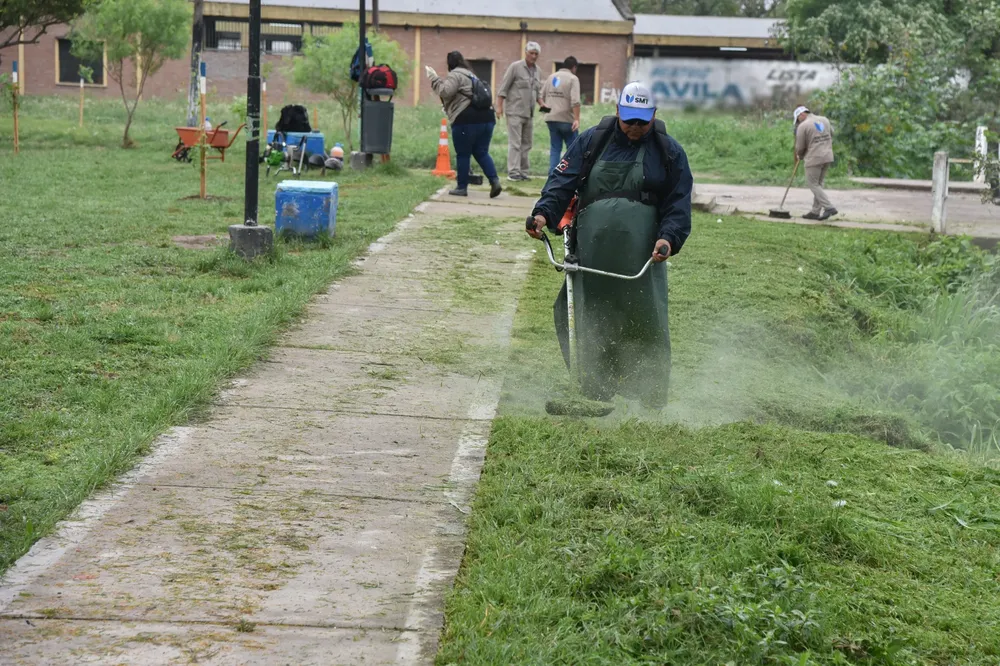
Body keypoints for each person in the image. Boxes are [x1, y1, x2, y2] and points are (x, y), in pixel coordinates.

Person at [526, 82, 693, 408]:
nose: (634, 127)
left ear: (653, 115)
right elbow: (561, 183)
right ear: (617, 111)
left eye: (641, 122)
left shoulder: (670, 153)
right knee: (578, 316)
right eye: (628, 119)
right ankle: (592, 390)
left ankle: (649, 396)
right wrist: (543, 214)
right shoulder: (591, 142)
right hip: (591, 254)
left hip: (641, 260)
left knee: (647, 325)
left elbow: (678, 205)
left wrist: (668, 239)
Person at [427, 51, 502, 198]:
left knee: (463, 154)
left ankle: (462, 187)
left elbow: (445, 91)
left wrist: (434, 79)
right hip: (487, 118)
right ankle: (495, 181)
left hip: (466, 120)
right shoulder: (471, 75)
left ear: (449, 63)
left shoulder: (455, 74)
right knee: (481, 152)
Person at [496, 41, 543, 181]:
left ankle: (523, 172)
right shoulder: (515, 67)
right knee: (515, 143)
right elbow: (503, 88)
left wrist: (542, 104)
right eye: (531, 53)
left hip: (529, 113)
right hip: (515, 111)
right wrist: (499, 107)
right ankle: (513, 172)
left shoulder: (538, 71)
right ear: (526, 53)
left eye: (536, 54)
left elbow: (537, 92)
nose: (533, 56)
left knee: (527, 144)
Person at [793, 105, 837, 220]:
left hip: (814, 158)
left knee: (812, 184)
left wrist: (800, 155)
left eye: (797, 119)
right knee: (819, 184)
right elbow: (831, 134)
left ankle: (829, 207)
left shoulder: (803, 126)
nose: (798, 122)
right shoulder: (824, 120)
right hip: (827, 156)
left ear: (801, 114)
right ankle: (815, 212)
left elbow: (800, 146)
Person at [540, 56, 582, 175]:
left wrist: (546, 110)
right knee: (573, 149)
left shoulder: (551, 77)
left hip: (551, 119)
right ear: (574, 67)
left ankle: (552, 175)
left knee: (555, 149)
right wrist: (577, 119)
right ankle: (571, 174)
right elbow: (575, 101)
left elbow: (540, 96)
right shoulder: (573, 78)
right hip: (566, 120)